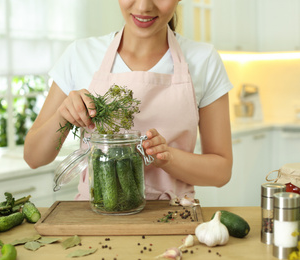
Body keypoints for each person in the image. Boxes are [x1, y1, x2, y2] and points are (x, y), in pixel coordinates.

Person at [24, 0, 233, 200]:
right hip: (95, 218)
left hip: (173, 218)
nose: (143, 6)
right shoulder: (80, 55)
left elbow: (221, 172)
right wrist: (64, 114)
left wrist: (166, 157)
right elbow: (34, 157)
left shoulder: (204, 60)